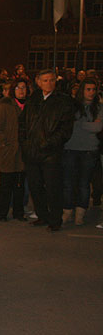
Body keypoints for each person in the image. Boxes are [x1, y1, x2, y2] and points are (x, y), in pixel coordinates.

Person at [19, 69, 74, 232]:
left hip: (51, 152)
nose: (48, 83)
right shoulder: (33, 99)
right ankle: (42, 215)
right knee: (35, 186)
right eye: (45, 80)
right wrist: (25, 143)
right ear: (38, 82)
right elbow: (22, 124)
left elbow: (65, 129)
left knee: (53, 187)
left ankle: (55, 219)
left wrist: (49, 143)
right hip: (32, 151)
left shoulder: (63, 101)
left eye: (51, 80)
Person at [61, 78, 103, 226]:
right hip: (70, 148)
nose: (91, 92)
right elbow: (67, 124)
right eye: (88, 89)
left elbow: (97, 128)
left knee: (84, 183)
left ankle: (80, 212)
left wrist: (79, 124)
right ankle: (67, 210)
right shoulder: (73, 106)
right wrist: (88, 125)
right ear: (82, 90)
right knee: (68, 182)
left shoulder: (98, 107)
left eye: (93, 89)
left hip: (89, 150)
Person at [0, 79, 28, 222]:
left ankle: (19, 212)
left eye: (24, 87)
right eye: (18, 88)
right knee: (6, 185)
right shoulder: (6, 106)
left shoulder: (29, 106)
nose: (21, 90)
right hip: (8, 152)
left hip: (23, 153)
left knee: (20, 185)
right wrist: (3, 143)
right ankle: (3, 213)